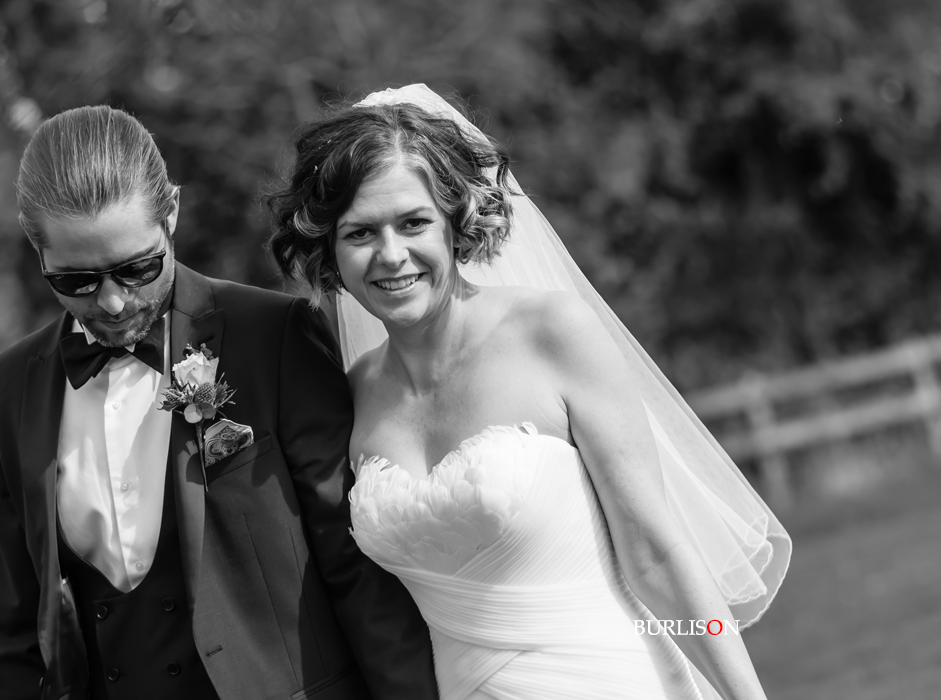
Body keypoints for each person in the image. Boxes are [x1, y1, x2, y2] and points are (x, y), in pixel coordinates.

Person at [267, 84, 792, 700]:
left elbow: (655, 555)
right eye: (360, 233)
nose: (391, 255)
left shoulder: (552, 332)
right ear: (329, 247)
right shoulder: (353, 394)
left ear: (456, 221)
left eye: (413, 223)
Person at [0, 105, 439, 700]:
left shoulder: (272, 335)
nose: (113, 303)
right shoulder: (7, 387)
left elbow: (354, 565)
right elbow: (17, 617)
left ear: (171, 211)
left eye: (137, 268)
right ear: (36, 246)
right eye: (76, 281)